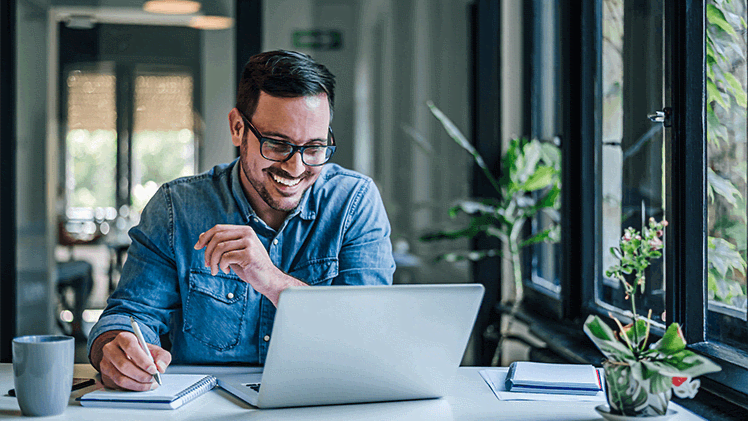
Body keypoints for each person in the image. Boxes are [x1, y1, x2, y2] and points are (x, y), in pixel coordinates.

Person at [87, 50, 396, 391]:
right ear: (238, 128)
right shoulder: (178, 207)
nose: (296, 168)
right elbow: (131, 313)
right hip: (204, 408)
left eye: (314, 148)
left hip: (321, 400)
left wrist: (272, 281)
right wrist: (117, 350)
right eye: (277, 145)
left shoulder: (354, 203)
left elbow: (368, 336)